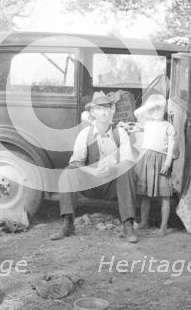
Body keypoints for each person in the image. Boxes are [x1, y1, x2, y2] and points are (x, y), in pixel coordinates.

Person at [50, 91, 138, 243]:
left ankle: (128, 225)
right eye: (99, 109)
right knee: (68, 172)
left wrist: (112, 169)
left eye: (107, 108)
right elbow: (76, 162)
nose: (103, 112)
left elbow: (128, 161)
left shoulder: (120, 133)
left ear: (112, 112)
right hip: (90, 184)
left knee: (128, 170)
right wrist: (92, 171)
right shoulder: (85, 134)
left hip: (112, 184)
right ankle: (67, 223)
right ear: (92, 112)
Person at [133, 94, 177, 236]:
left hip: (160, 161)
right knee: (145, 195)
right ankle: (144, 222)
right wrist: (151, 105)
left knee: (165, 196)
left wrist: (167, 163)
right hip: (146, 160)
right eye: (153, 110)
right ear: (149, 111)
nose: (156, 112)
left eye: (159, 109)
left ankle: (163, 227)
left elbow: (170, 148)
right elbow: (137, 113)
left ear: (164, 110)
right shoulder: (147, 123)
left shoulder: (168, 126)